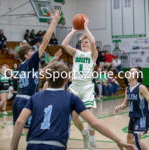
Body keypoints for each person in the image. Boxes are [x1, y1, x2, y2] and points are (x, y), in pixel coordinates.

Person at [10, 62, 135, 150]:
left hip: (33, 144)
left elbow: (20, 122)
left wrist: (14, 148)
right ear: (66, 80)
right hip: (56, 145)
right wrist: (118, 140)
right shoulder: (71, 98)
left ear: (47, 79)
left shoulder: (35, 97)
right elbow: (95, 123)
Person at [12, 9, 61, 129]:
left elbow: (42, 71)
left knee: (19, 129)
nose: (33, 52)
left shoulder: (22, 66)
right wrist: (54, 22)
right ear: (26, 55)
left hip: (18, 100)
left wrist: (53, 60)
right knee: (35, 129)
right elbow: (44, 43)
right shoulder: (30, 62)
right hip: (26, 100)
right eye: (30, 51)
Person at [62, 17, 98, 149]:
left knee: (89, 116)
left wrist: (86, 28)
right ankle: (85, 134)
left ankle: (92, 140)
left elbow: (93, 42)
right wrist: (73, 31)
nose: (83, 43)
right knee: (73, 116)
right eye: (82, 41)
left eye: (86, 41)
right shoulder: (76, 53)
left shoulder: (93, 55)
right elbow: (64, 45)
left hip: (87, 87)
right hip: (75, 86)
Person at [114, 67, 149, 150]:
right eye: (129, 71)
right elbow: (125, 104)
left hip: (142, 117)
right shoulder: (127, 89)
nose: (129, 73)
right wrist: (119, 107)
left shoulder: (141, 87)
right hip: (132, 117)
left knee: (136, 139)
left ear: (137, 75)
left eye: (132, 72)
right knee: (129, 140)